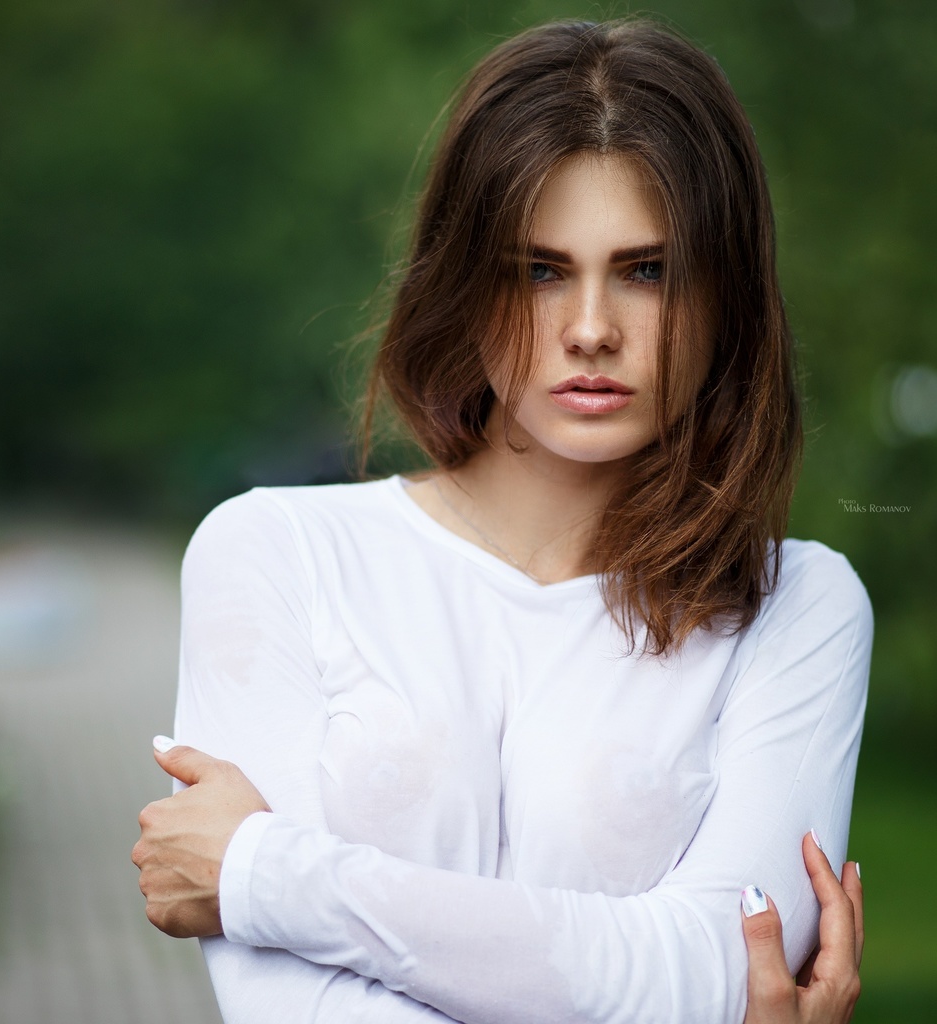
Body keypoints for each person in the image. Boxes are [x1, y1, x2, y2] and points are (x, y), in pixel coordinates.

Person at [132, 17, 872, 1024]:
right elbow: (294, 1009)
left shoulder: (796, 606)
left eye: (646, 269)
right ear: (462, 279)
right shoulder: (272, 552)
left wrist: (269, 873)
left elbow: (720, 972)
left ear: (726, 294)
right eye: (539, 268)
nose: (591, 328)